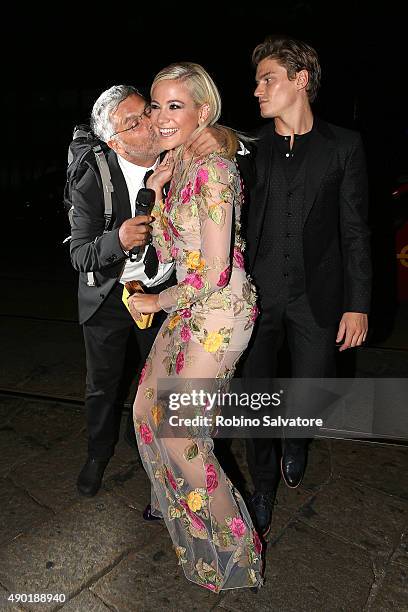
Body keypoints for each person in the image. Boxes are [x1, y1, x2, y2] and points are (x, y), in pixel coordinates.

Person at [129, 63, 263, 592]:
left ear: (203, 111)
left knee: (180, 434)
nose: (161, 117)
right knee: (145, 411)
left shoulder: (214, 169)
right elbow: (167, 251)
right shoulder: (177, 162)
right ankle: (185, 516)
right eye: (157, 105)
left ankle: (235, 554)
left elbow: (212, 271)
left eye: (175, 106)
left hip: (219, 312)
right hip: (189, 305)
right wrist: (159, 192)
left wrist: (155, 299)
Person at [69, 85, 229, 497]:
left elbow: (241, 149)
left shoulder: (179, 152)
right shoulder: (92, 178)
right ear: (114, 141)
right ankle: (96, 454)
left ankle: (152, 450)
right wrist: (118, 240)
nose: (151, 123)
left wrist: (226, 137)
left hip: (164, 294)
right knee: (102, 384)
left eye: (148, 110)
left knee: (161, 383)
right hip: (110, 295)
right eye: (133, 122)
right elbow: (81, 255)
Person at [241, 35, 372, 539]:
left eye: (267, 78)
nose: (257, 89)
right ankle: (264, 486)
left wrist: (357, 304)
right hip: (257, 298)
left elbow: (356, 231)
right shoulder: (250, 148)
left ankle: (296, 441)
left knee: (310, 391)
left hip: (316, 297)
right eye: (256, 81)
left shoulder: (344, 146)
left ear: (300, 81)